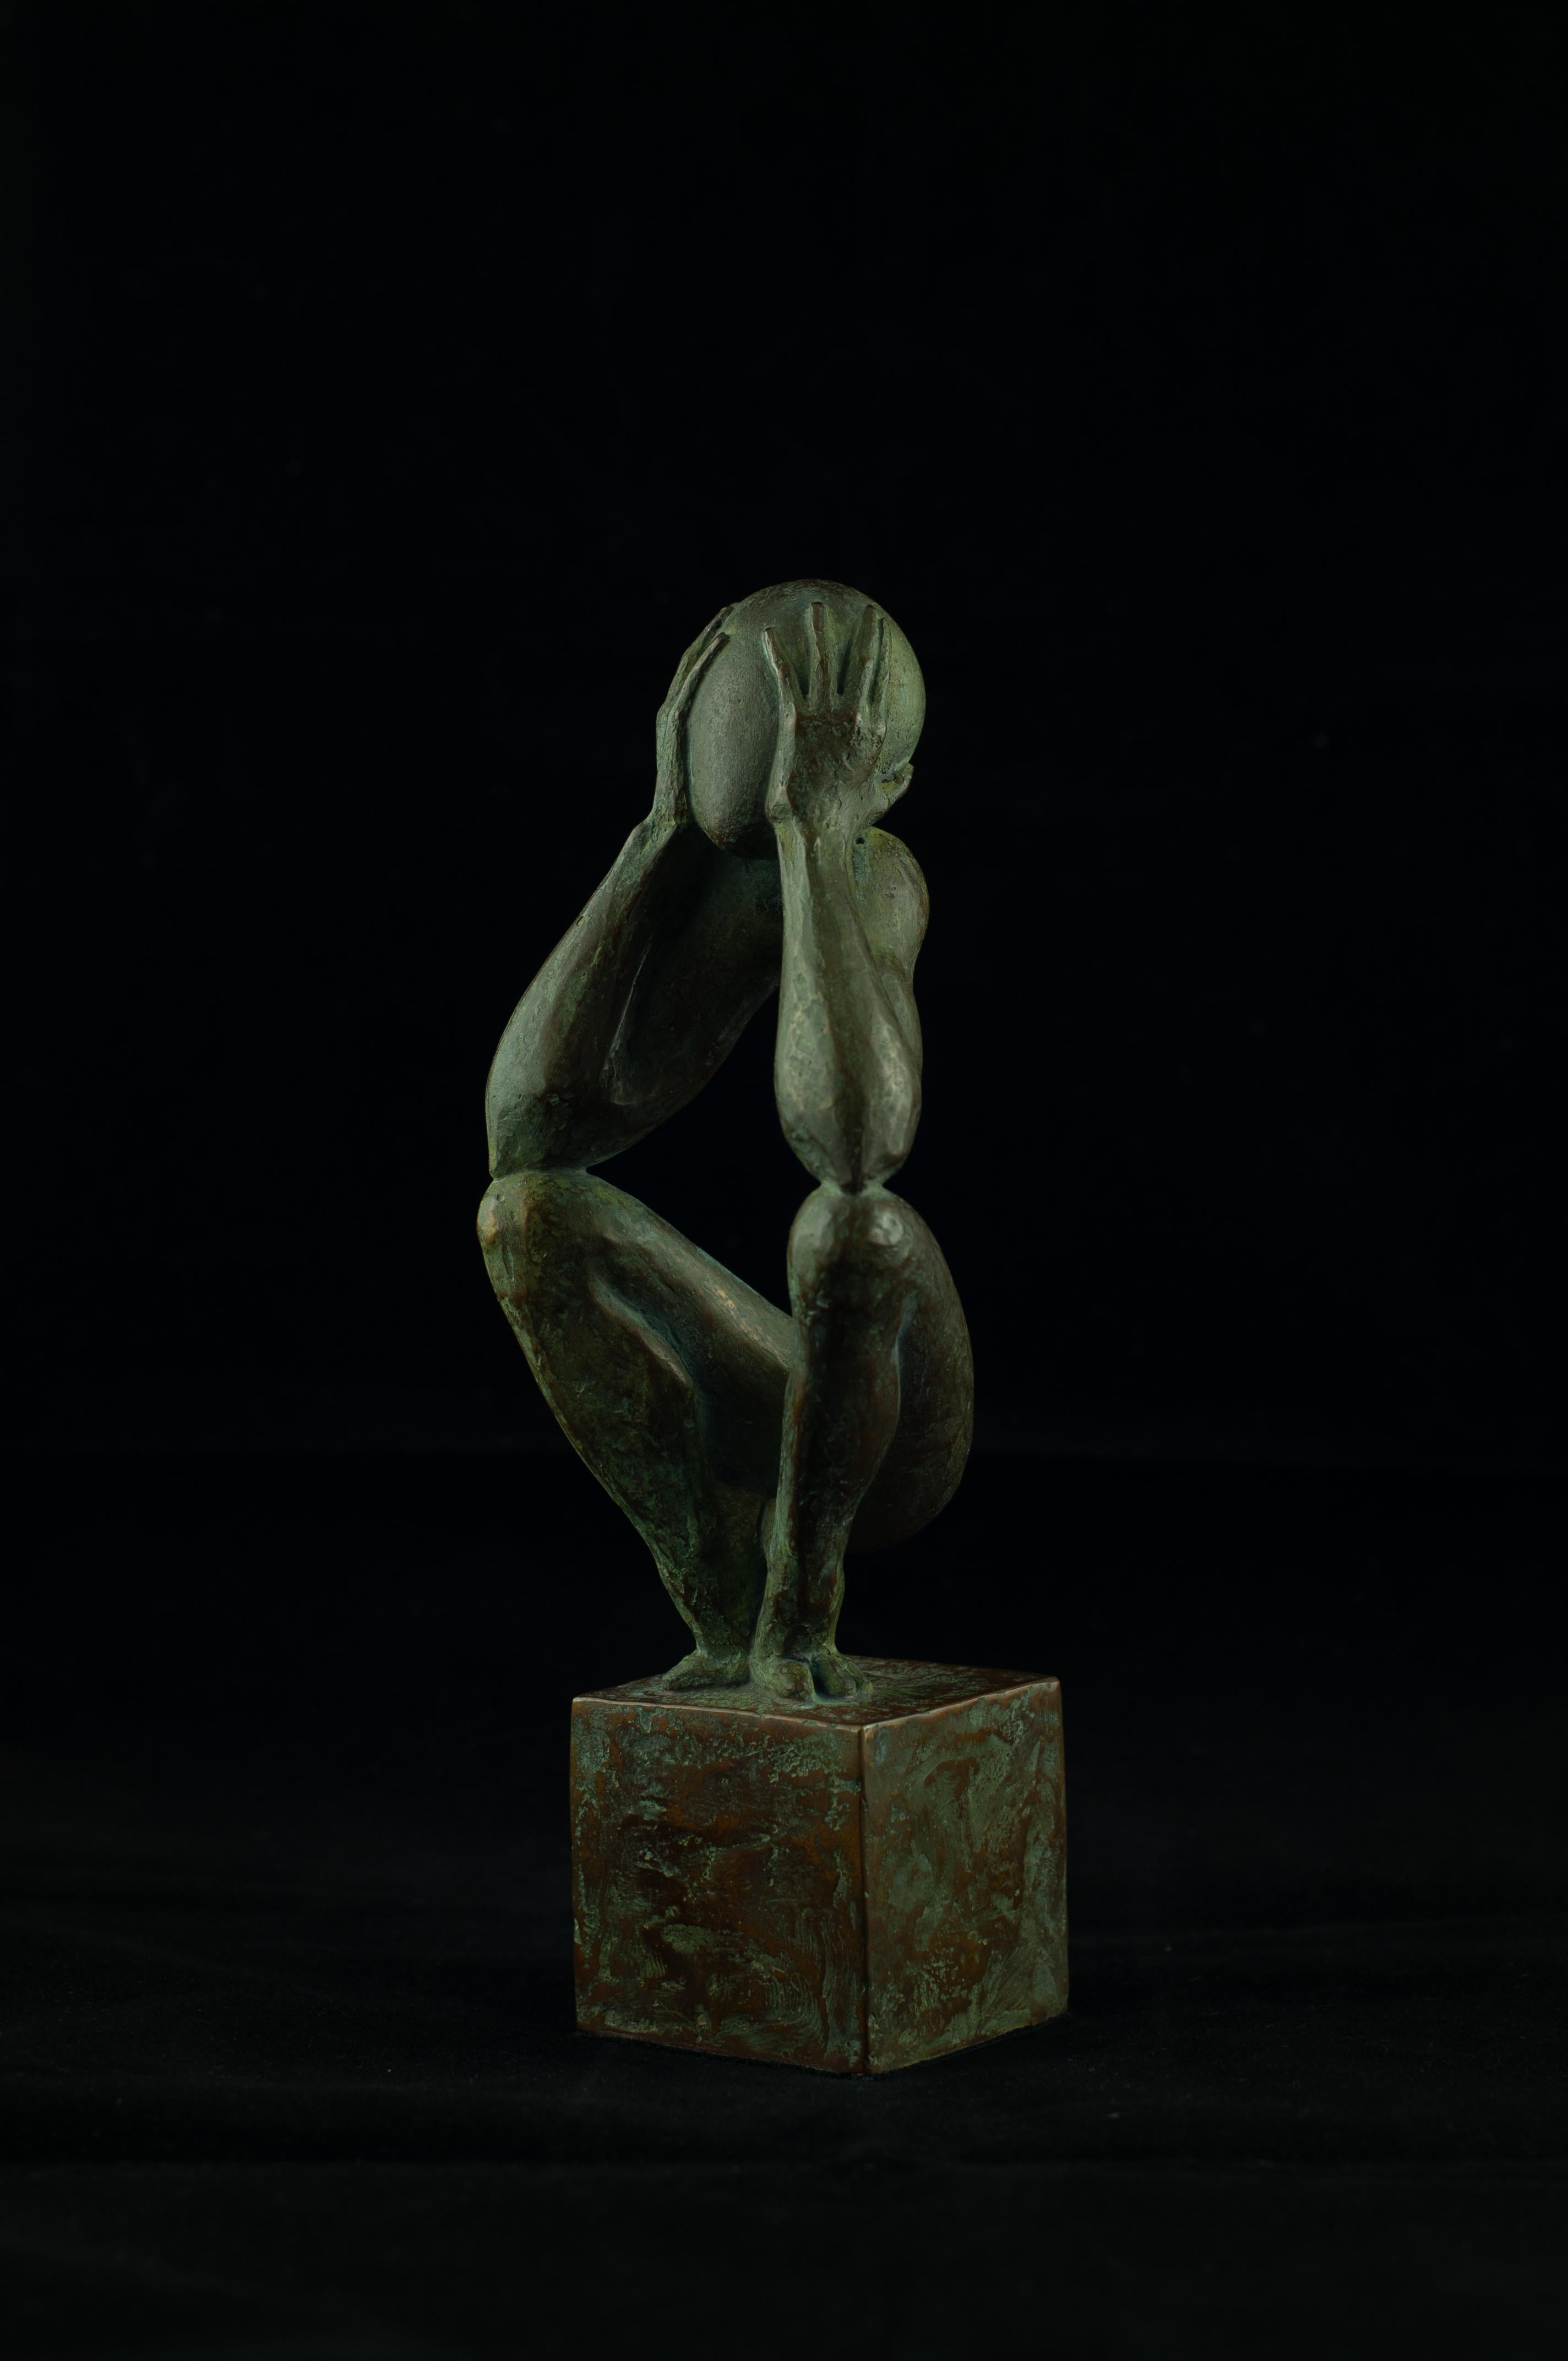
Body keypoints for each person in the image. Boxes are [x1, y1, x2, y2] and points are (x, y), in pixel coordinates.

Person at [477, 580, 972, 1700]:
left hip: (895, 1435)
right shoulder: (692, 876)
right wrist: (654, 837)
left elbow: (856, 1141)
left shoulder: (874, 874)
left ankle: (800, 1605)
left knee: (857, 1230)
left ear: (881, 783)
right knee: (524, 1216)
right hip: (775, 1404)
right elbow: (524, 1130)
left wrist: (815, 833)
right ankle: (719, 1598)